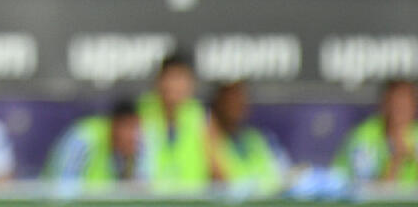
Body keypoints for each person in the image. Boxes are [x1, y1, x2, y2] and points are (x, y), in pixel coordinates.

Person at [137, 53, 209, 193]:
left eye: (181, 78)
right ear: (158, 81)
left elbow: (219, 170)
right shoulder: (140, 114)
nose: (175, 86)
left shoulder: (201, 119)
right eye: (171, 77)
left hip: (191, 201)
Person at [333, 79, 418, 185]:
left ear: (414, 107)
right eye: (396, 105)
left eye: (406, 105)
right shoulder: (365, 136)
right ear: (385, 105)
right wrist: (396, 161)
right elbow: (368, 193)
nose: (400, 110)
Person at [208, 81, 286, 197]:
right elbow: (221, 180)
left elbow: (282, 176)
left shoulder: (256, 139)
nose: (235, 104)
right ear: (218, 103)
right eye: (229, 99)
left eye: (239, 98)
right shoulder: (210, 140)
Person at [44, 100, 145, 187]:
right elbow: (63, 189)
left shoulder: (131, 152)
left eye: (136, 128)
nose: (134, 136)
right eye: (129, 127)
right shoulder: (85, 138)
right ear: (115, 125)